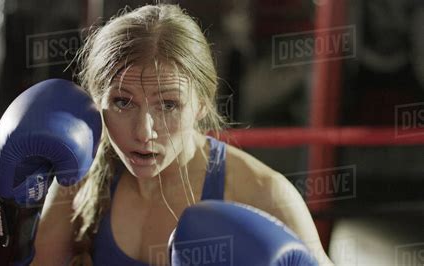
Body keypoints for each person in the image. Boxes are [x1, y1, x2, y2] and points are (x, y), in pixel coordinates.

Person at [32, 4, 334, 265]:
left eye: (168, 105)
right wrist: (0, 209)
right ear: (98, 101)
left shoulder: (262, 193)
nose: (143, 131)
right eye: (123, 102)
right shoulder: (79, 178)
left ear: (201, 104)